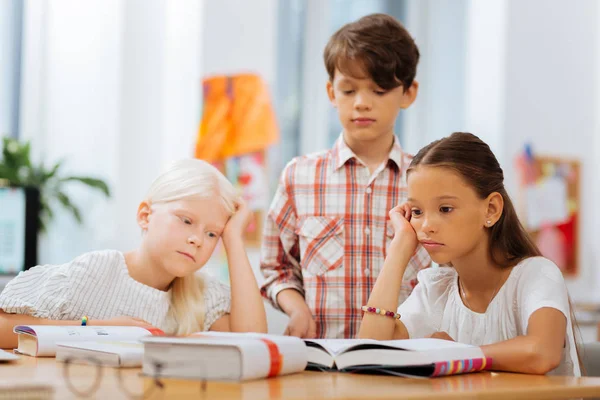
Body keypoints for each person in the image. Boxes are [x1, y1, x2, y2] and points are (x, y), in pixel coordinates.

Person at [260, 13, 430, 339]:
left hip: (407, 364)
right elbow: (275, 267)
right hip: (321, 363)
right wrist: (297, 308)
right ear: (331, 92)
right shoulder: (299, 177)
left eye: (379, 91)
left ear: (408, 93)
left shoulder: (429, 184)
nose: (362, 104)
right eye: (349, 90)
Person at [358, 132, 581, 376]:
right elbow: (371, 352)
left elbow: (542, 352)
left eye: (445, 208)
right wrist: (398, 251)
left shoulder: (536, 274)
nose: (426, 226)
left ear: (491, 209)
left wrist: (457, 355)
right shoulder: (436, 290)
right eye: (417, 211)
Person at [0, 159, 268, 349]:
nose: (197, 239)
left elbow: (254, 345)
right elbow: (3, 328)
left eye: (212, 233)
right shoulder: (96, 272)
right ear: (145, 216)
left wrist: (233, 239)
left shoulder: (202, 294)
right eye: (186, 220)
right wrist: (97, 328)